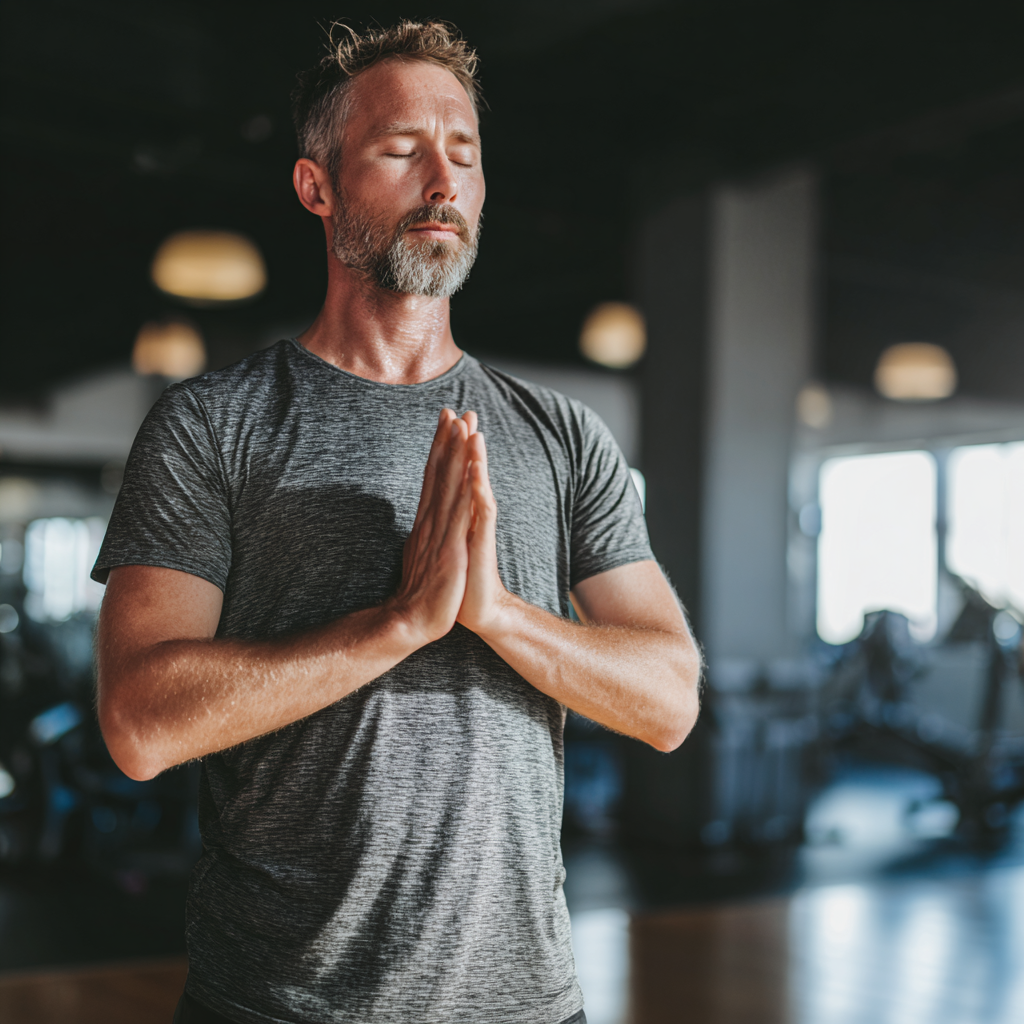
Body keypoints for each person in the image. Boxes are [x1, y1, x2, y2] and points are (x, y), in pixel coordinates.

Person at [93, 20, 701, 1024]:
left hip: (526, 1007)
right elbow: (139, 725)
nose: (442, 178)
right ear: (316, 186)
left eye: (462, 152)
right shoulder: (213, 426)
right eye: (399, 147)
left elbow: (668, 699)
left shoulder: (560, 434)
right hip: (278, 1004)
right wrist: (397, 623)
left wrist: (495, 612)